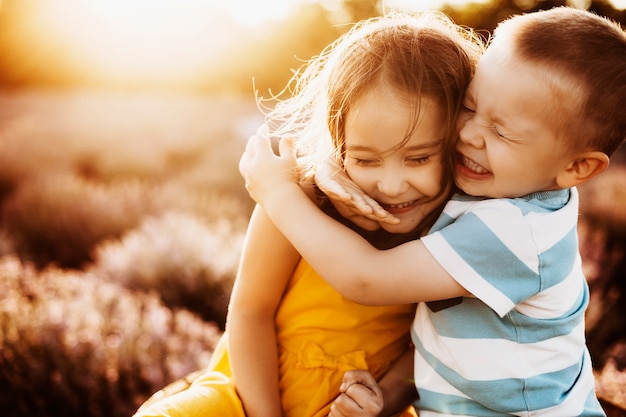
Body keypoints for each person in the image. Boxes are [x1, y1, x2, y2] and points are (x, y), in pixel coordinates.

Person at [238, 6, 626, 416]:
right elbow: (441, 337)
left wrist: (277, 193)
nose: (468, 134)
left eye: (500, 130)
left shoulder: (514, 232)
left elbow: (366, 280)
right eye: (471, 107)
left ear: (577, 167)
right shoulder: (504, 191)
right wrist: (383, 398)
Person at [133, 11, 483, 417]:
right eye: (366, 161)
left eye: (419, 158)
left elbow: (433, 349)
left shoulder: (456, 230)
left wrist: (382, 399)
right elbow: (250, 312)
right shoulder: (299, 199)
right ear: (338, 141)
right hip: (247, 395)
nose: (391, 185)